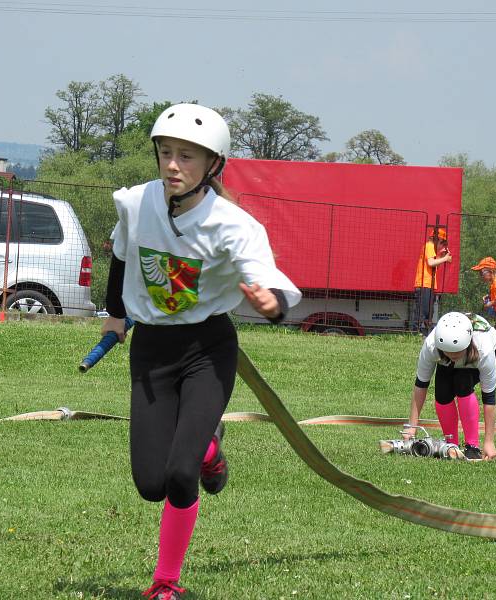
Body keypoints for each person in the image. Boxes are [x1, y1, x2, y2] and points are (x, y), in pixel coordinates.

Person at [101, 103, 301, 600]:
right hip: (150, 350)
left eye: (187, 157)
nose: (172, 165)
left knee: (179, 473)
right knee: (151, 483)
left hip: (207, 349)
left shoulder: (234, 226)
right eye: (166, 153)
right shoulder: (135, 203)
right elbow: (122, 255)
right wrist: (114, 314)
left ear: (212, 165)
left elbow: (275, 296)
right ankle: (211, 449)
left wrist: (268, 303)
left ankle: (166, 583)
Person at [403, 311, 496, 461]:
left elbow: (489, 397)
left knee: (463, 382)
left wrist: (489, 442)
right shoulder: (431, 345)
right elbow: (421, 384)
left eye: (456, 352)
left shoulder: (484, 349)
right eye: (448, 352)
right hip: (453, 352)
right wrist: (411, 427)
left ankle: (472, 446)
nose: (453, 356)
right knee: (442, 392)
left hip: (486, 350)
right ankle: (451, 444)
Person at [412, 226, 451, 333]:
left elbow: (433, 266)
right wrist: (445, 258)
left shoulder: (432, 249)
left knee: (429, 311)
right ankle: (417, 331)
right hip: (424, 283)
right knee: (422, 310)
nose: (441, 246)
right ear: (437, 239)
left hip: (429, 284)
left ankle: (424, 331)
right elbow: (431, 263)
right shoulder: (429, 246)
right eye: (442, 243)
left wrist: (441, 257)